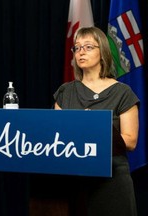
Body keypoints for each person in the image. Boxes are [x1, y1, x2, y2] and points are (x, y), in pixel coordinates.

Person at [53, 26, 139, 216]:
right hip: (75, 178)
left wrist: (95, 130)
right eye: (77, 47)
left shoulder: (122, 92)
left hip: (111, 178)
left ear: (103, 53)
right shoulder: (65, 92)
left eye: (88, 47)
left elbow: (131, 141)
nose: (81, 51)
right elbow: (55, 136)